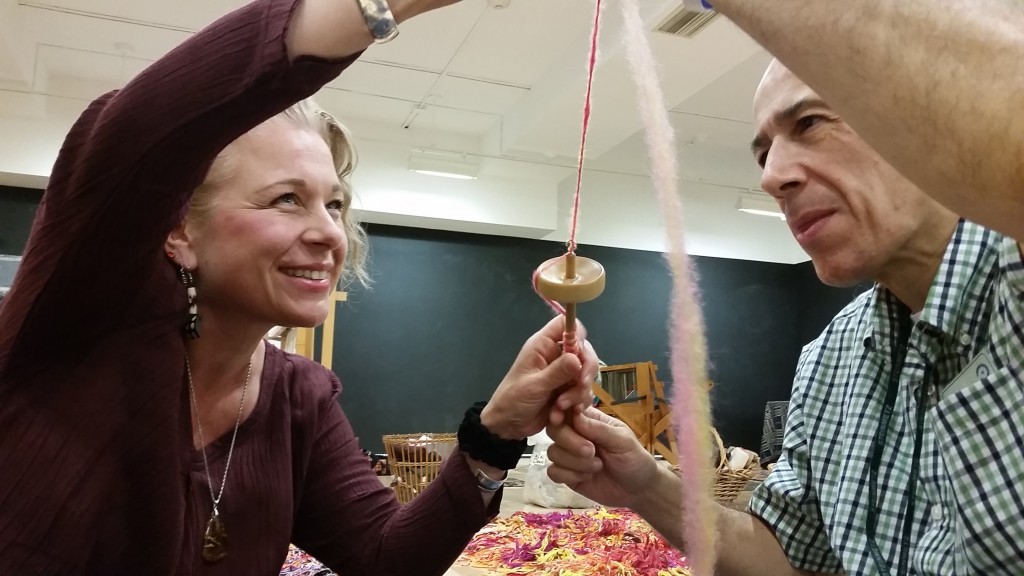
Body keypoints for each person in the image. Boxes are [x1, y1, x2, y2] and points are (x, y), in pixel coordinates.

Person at [0, 1, 598, 574]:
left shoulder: (299, 401)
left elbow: (386, 559)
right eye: (287, 199)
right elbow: (133, 135)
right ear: (179, 230)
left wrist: (497, 431)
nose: (328, 233)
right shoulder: (82, 323)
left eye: (334, 204)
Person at [547, 2, 1024, 575]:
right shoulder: (833, 358)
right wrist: (646, 486)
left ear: (919, 116)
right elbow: (790, 559)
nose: (772, 175)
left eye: (809, 124)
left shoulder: (1011, 287)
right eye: (764, 151)